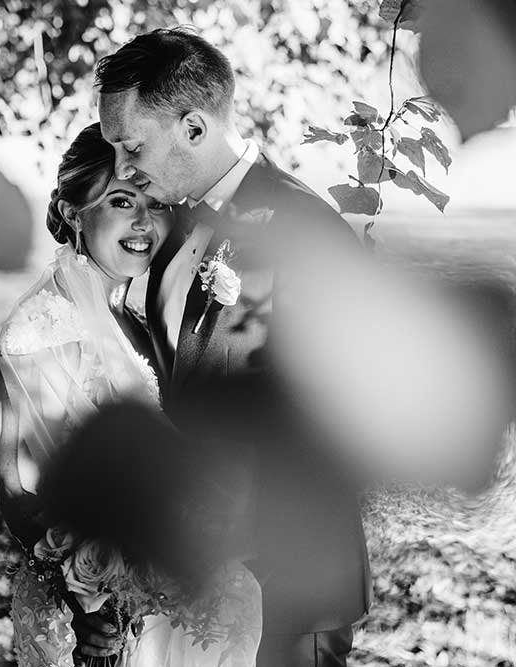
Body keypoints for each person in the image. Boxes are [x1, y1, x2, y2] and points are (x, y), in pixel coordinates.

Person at [95, 27, 371, 667]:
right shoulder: (169, 224)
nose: (122, 168)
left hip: (289, 577)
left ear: (194, 127)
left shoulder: (304, 228)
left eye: (132, 145)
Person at [0, 122, 261, 667]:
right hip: (106, 617)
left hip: (159, 599)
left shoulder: (127, 314)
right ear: (72, 213)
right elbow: (24, 492)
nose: (144, 222)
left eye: (155, 203)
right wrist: (92, 600)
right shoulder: (43, 328)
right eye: (120, 200)